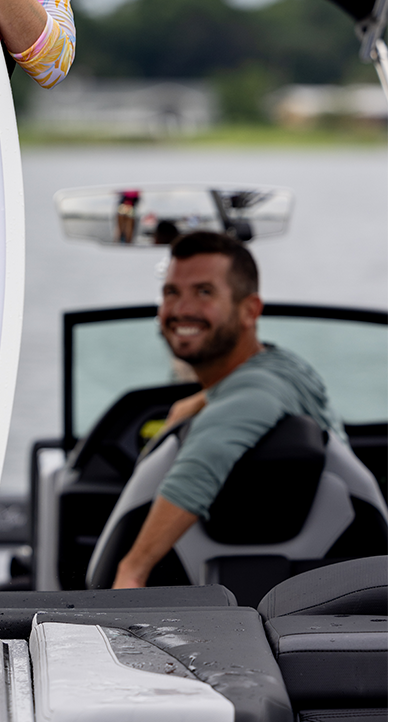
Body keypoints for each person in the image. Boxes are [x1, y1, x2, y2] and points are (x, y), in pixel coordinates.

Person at [111, 230, 346, 589]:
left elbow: (203, 460)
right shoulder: (286, 367)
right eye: (171, 292)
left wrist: (133, 569)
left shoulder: (255, 392)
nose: (182, 309)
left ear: (250, 310)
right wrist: (204, 398)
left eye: (204, 292)